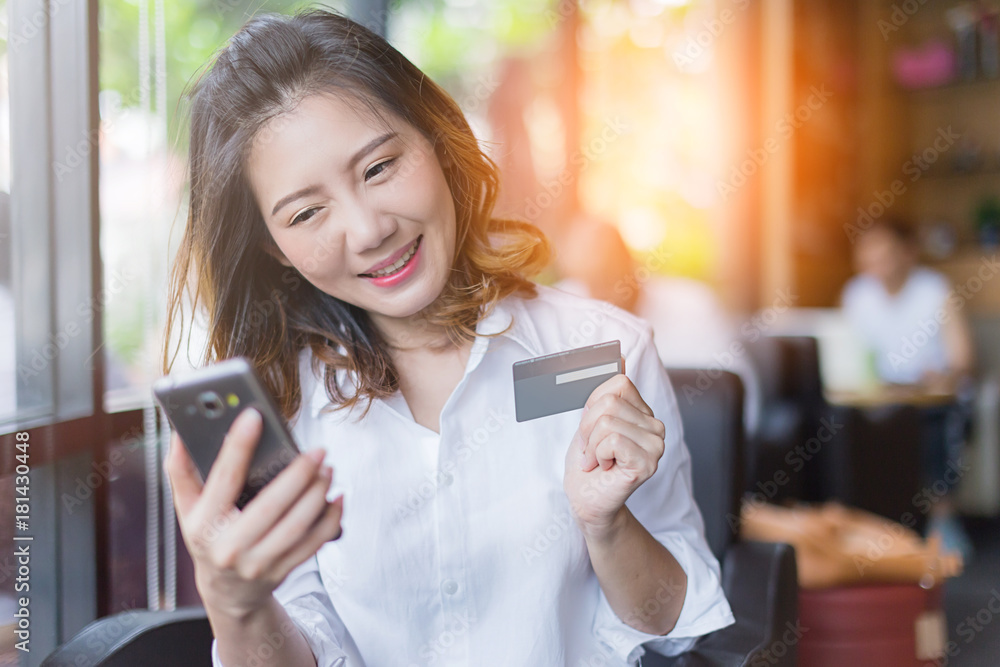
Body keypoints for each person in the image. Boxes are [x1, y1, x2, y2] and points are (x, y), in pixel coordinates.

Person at [161, 9, 733, 667]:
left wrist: (607, 525)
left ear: (437, 139)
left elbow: (671, 625)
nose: (368, 228)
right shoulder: (276, 409)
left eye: (379, 167)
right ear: (275, 246)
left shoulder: (598, 350)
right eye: (308, 212)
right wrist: (236, 602)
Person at [840, 219, 976, 560]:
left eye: (884, 252)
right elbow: (847, 353)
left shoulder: (935, 290)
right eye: (868, 252)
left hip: (932, 398)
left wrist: (942, 376)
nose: (875, 261)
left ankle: (943, 523)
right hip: (879, 397)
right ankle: (868, 525)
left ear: (908, 253)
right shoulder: (856, 294)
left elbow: (963, 359)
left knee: (936, 420)